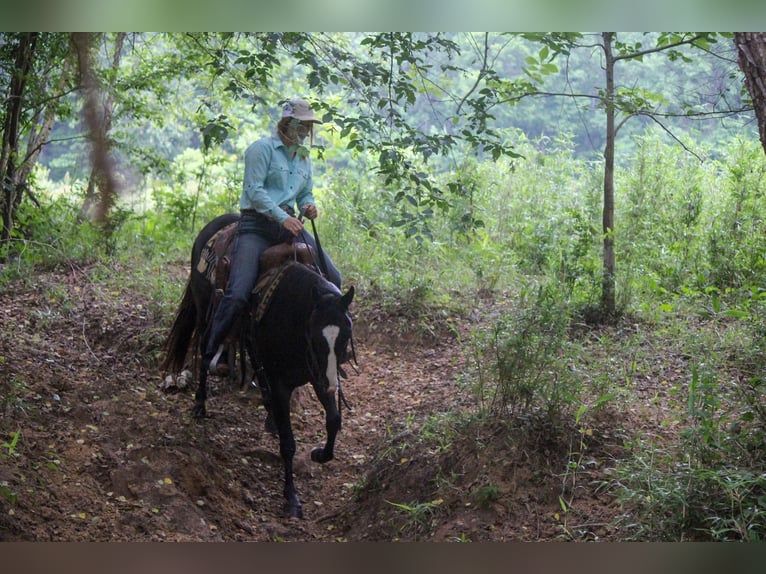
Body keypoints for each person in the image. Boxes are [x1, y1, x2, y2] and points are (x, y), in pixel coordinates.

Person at [204, 97, 342, 372]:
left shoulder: (303, 157)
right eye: (301, 125)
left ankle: (331, 348)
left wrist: (308, 206)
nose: (305, 131)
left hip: (290, 226)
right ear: (286, 123)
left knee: (334, 279)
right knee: (239, 291)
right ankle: (213, 352)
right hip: (257, 227)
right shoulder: (261, 149)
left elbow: (305, 191)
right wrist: (283, 217)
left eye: (308, 127)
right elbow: (254, 191)